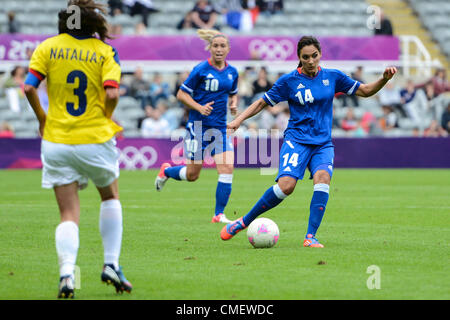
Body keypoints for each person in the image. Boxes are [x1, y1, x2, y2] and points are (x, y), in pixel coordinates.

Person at [220, 36, 397, 247]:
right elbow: (262, 103)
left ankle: (310, 237)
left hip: (322, 144)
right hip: (297, 141)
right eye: (306, 57)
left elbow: (366, 91)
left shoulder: (333, 76)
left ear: (320, 54)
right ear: (299, 58)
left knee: (323, 179)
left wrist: (384, 79)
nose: (311, 61)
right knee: (286, 186)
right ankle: (243, 221)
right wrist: (238, 120)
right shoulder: (289, 81)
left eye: (314, 56)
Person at [23, 0, 132, 299]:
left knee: (68, 212)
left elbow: (29, 87)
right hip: (94, 137)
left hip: (56, 140)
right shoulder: (105, 52)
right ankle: (111, 264)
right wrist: (106, 117)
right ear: (92, 23)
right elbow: (112, 92)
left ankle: (67, 275)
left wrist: (43, 119)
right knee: (109, 197)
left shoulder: (47, 47)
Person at [154, 29, 239, 224]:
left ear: (228, 49)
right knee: (193, 175)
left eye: (222, 46)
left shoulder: (232, 72)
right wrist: (199, 107)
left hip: (219, 128)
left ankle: (219, 214)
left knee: (226, 168)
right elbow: (181, 95)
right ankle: (166, 171)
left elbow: (233, 92)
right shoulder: (201, 69)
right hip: (198, 127)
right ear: (210, 48)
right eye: (215, 46)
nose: (219, 49)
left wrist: (233, 103)